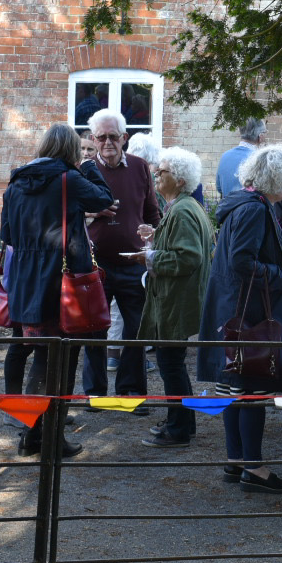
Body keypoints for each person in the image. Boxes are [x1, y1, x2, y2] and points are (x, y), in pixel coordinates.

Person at [196, 146, 282, 492]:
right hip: (249, 315)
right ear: (273, 177)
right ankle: (253, 468)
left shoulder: (248, 205)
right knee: (250, 391)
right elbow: (242, 264)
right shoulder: (255, 210)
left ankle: (237, 461)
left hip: (236, 310)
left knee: (234, 387)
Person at [0, 123, 113, 457]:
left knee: (37, 351)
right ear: (71, 151)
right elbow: (104, 198)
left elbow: (7, 233)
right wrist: (90, 165)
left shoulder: (17, 182)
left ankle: (33, 435)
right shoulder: (69, 179)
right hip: (59, 282)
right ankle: (46, 439)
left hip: (23, 279)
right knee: (56, 359)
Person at [83, 108, 162, 399]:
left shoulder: (140, 168)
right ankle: (95, 393)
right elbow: (70, 215)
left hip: (134, 263)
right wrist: (92, 211)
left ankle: (130, 391)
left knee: (136, 331)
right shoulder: (85, 170)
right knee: (94, 331)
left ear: (124, 138)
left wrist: (152, 232)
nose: (107, 143)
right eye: (101, 137)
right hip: (95, 265)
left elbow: (153, 213)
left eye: (113, 137)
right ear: (93, 138)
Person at [137, 147, 214, 448]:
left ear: (180, 180)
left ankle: (179, 429)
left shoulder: (182, 210)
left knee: (171, 365)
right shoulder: (182, 207)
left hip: (177, 301)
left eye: (164, 171)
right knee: (173, 364)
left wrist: (149, 257)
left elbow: (188, 257)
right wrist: (156, 239)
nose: (156, 173)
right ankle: (180, 422)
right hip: (178, 299)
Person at [216, 118, 266, 197]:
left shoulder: (225, 156)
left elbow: (219, 188)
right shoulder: (260, 159)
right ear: (260, 136)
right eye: (264, 132)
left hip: (226, 207)